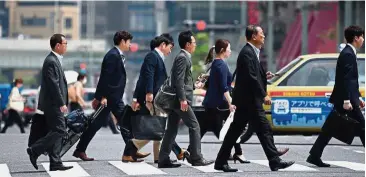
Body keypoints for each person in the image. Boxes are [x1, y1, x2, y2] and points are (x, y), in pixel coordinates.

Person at [214, 25, 294, 172]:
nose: (264, 36)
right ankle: (274, 160)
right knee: (263, 129)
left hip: (246, 100)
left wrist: (264, 76)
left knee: (238, 131)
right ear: (254, 36)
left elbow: (252, 74)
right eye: (261, 34)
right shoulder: (247, 53)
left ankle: (221, 161)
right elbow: (251, 77)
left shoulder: (251, 52)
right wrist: (264, 94)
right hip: (249, 100)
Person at [72, 31, 149, 162]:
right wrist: (101, 97)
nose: (130, 45)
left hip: (114, 98)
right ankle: (80, 150)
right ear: (123, 41)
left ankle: (131, 152)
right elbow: (105, 78)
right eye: (129, 42)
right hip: (109, 98)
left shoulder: (117, 55)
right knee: (96, 124)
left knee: (124, 123)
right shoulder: (112, 55)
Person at [307, 25, 365, 167]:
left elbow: (351, 79)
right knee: (363, 126)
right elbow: (345, 79)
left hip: (348, 98)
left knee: (330, 127)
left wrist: (357, 97)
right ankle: (315, 155)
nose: (363, 39)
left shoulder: (349, 52)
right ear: (356, 38)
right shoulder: (348, 54)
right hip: (345, 99)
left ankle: (315, 155)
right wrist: (347, 100)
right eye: (362, 36)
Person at [189, 39, 250, 163]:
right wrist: (230, 102)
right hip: (218, 104)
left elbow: (218, 85)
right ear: (222, 51)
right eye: (229, 49)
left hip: (213, 103)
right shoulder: (220, 65)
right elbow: (223, 87)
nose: (230, 51)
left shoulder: (217, 64)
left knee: (206, 128)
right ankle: (235, 153)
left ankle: (190, 151)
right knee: (231, 128)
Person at [158, 30, 213, 168]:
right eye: (194, 43)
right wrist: (183, 99)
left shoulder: (184, 56)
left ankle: (163, 158)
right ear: (188, 44)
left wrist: (195, 85)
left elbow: (184, 81)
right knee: (195, 126)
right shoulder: (183, 57)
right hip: (179, 101)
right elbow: (179, 81)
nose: (195, 45)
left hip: (177, 100)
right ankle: (196, 157)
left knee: (171, 129)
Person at [128, 34, 186, 163]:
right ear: (163, 45)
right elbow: (148, 76)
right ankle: (132, 147)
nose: (170, 51)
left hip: (156, 98)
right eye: (170, 47)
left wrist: (136, 98)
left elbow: (141, 79)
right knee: (158, 128)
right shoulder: (152, 56)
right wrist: (149, 94)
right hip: (155, 98)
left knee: (158, 128)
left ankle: (160, 156)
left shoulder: (156, 57)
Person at [26, 34, 73, 171]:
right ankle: (35, 150)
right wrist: (61, 103)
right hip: (53, 104)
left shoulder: (55, 60)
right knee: (60, 129)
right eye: (65, 43)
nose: (66, 46)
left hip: (54, 103)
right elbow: (54, 85)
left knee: (56, 130)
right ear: (58, 45)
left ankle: (55, 161)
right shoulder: (51, 61)